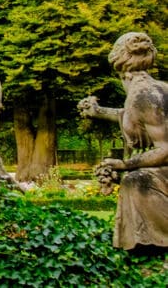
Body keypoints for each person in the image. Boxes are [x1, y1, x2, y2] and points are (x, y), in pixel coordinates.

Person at [79, 32, 168, 251]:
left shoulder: (142, 95)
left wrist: (124, 164)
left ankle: (153, 245)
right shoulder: (158, 88)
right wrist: (99, 112)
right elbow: (133, 117)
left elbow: (164, 149)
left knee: (135, 181)